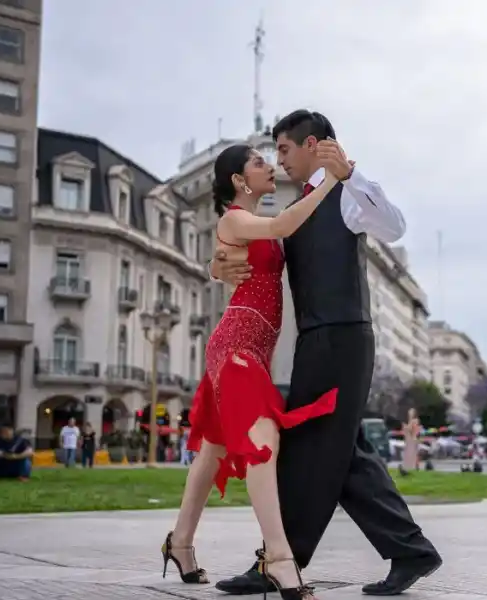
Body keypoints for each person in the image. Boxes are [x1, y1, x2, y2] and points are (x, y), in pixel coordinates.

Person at [212, 110, 441, 597]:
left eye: (284, 149)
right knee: (340, 452)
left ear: (312, 145)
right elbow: (250, 249)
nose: (279, 160)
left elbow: (395, 227)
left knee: (311, 448)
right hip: (316, 341)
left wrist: (351, 175)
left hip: (342, 337)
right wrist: (221, 265)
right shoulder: (298, 204)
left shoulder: (346, 194)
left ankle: (281, 561)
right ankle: (409, 551)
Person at [162, 142, 340, 599]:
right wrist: (330, 181)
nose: (270, 166)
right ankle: (278, 556)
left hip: (255, 348)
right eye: (259, 162)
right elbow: (280, 225)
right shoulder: (235, 218)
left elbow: (243, 251)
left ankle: (180, 542)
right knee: (264, 439)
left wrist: (216, 266)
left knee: (213, 452)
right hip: (236, 345)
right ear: (240, 180)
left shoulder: (249, 223)